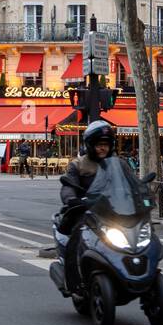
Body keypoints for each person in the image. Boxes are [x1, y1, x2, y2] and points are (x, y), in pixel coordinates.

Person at [57, 121, 117, 291]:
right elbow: (68, 187)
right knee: (76, 239)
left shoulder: (118, 164)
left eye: (105, 144)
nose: (102, 148)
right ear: (90, 145)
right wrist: (72, 199)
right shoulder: (78, 165)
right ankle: (74, 281)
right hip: (87, 212)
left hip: (114, 213)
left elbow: (130, 184)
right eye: (99, 144)